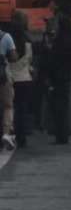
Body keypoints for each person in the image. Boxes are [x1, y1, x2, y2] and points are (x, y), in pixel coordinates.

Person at [45, 14, 71, 144]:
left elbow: (53, 58)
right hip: (68, 73)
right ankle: (66, 132)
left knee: (58, 106)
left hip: (58, 76)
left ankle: (60, 134)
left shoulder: (59, 41)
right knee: (67, 103)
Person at [9, 11, 33, 149]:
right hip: (25, 77)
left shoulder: (8, 38)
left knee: (8, 108)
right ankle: (22, 136)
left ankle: (8, 134)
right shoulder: (29, 38)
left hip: (10, 77)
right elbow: (30, 59)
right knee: (22, 108)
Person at [0, 25, 17, 150]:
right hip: (3, 77)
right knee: (8, 105)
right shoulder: (6, 37)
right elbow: (13, 57)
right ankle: (6, 133)